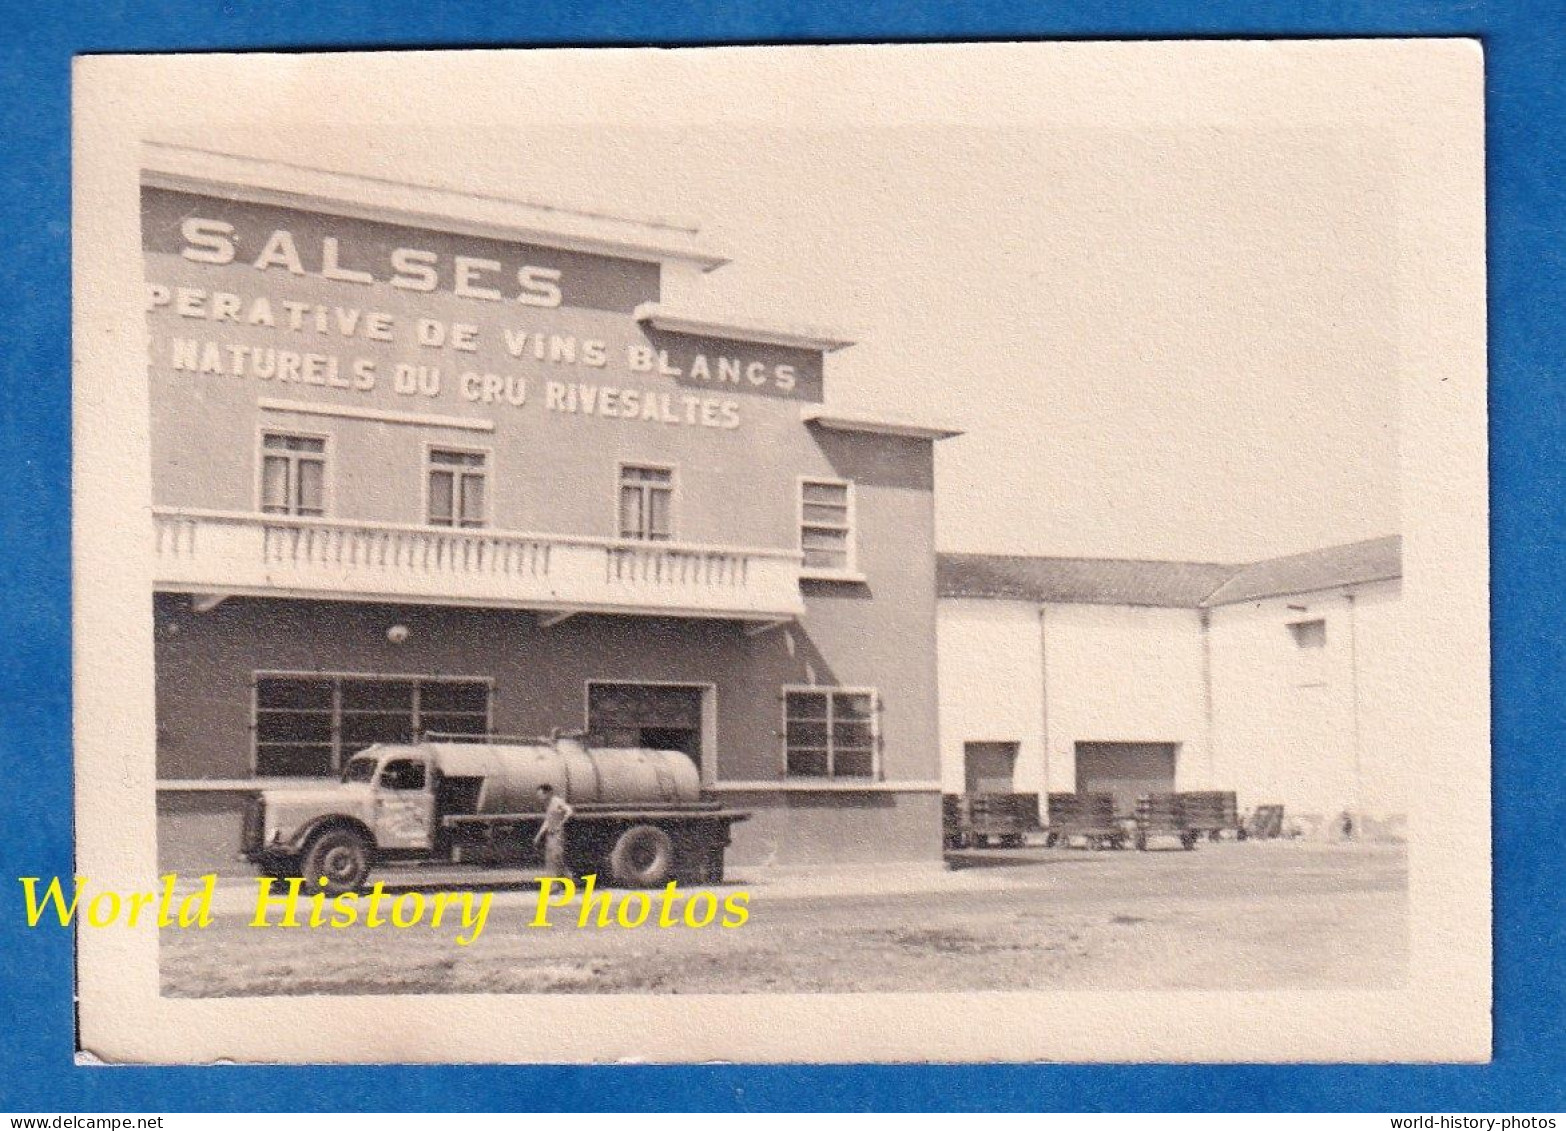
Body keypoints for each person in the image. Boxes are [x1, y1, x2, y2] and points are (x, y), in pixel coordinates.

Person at [532, 783, 575, 878]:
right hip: (550, 834)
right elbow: (547, 821)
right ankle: (554, 885)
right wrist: (538, 835)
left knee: (557, 858)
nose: (540, 797)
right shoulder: (548, 804)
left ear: (548, 793)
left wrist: (561, 823)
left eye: (541, 794)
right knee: (550, 859)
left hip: (558, 834)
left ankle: (569, 880)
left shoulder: (557, 801)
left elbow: (569, 811)